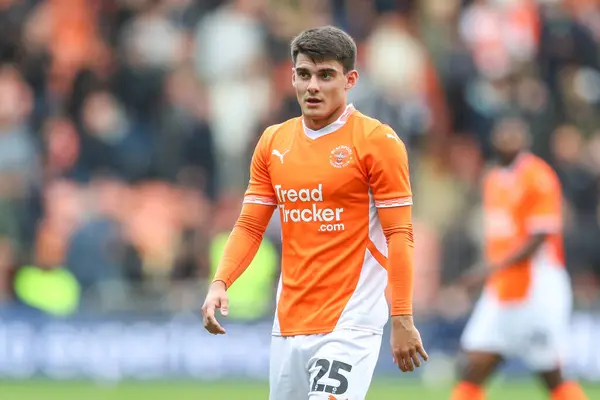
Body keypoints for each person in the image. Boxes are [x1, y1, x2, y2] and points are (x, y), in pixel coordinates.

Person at [202, 26, 428, 399]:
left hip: (350, 323)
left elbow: (400, 234)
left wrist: (402, 316)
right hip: (288, 321)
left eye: (326, 75)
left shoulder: (377, 141)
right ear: (292, 77)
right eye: (304, 74)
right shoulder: (274, 141)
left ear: (350, 79)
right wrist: (220, 282)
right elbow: (249, 225)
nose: (313, 86)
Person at [451, 117, 588, 400]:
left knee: (551, 374)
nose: (508, 140)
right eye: (503, 135)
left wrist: (489, 269)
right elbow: (500, 236)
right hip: (502, 289)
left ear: (525, 141)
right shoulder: (493, 179)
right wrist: (492, 269)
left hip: (537, 287)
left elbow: (539, 237)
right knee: (473, 364)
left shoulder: (538, 176)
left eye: (515, 135)